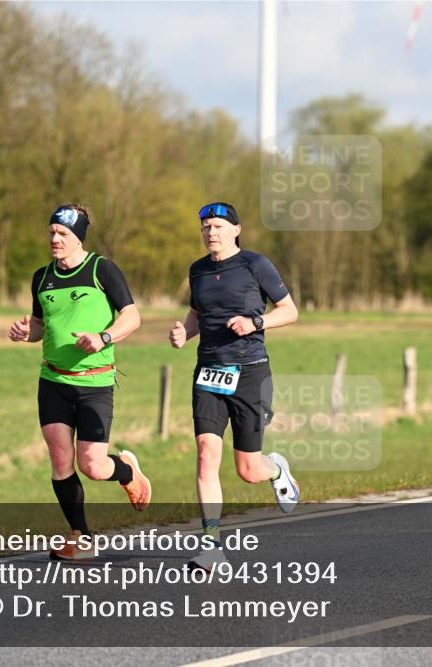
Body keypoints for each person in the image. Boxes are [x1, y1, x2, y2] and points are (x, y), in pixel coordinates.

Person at [8, 204, 151, 560]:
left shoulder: (102, 269)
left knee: (93, 466)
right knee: (59, 458)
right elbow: (41, 326)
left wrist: (103, 338)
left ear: (79, 238)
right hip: (53, 379)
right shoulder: (41, 277)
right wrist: (27, 333)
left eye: (63, 235)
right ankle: (81, 537)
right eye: (52, 233)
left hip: (95, 382)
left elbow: (132, 317)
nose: (55, 240)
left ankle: (127, 471)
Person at [169, 202, 299, 571]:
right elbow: (196, 314)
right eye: (206, 227)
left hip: (250, 373)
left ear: (236, 230)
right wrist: (184, 332)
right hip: (208, 373)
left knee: (248, 470)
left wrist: (255, 322)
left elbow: (290, 310)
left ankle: (276, 469)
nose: (211, 233)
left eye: (219, 226)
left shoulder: (255, 264)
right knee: (207, 454)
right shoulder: (198, 270)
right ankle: (211, 545)